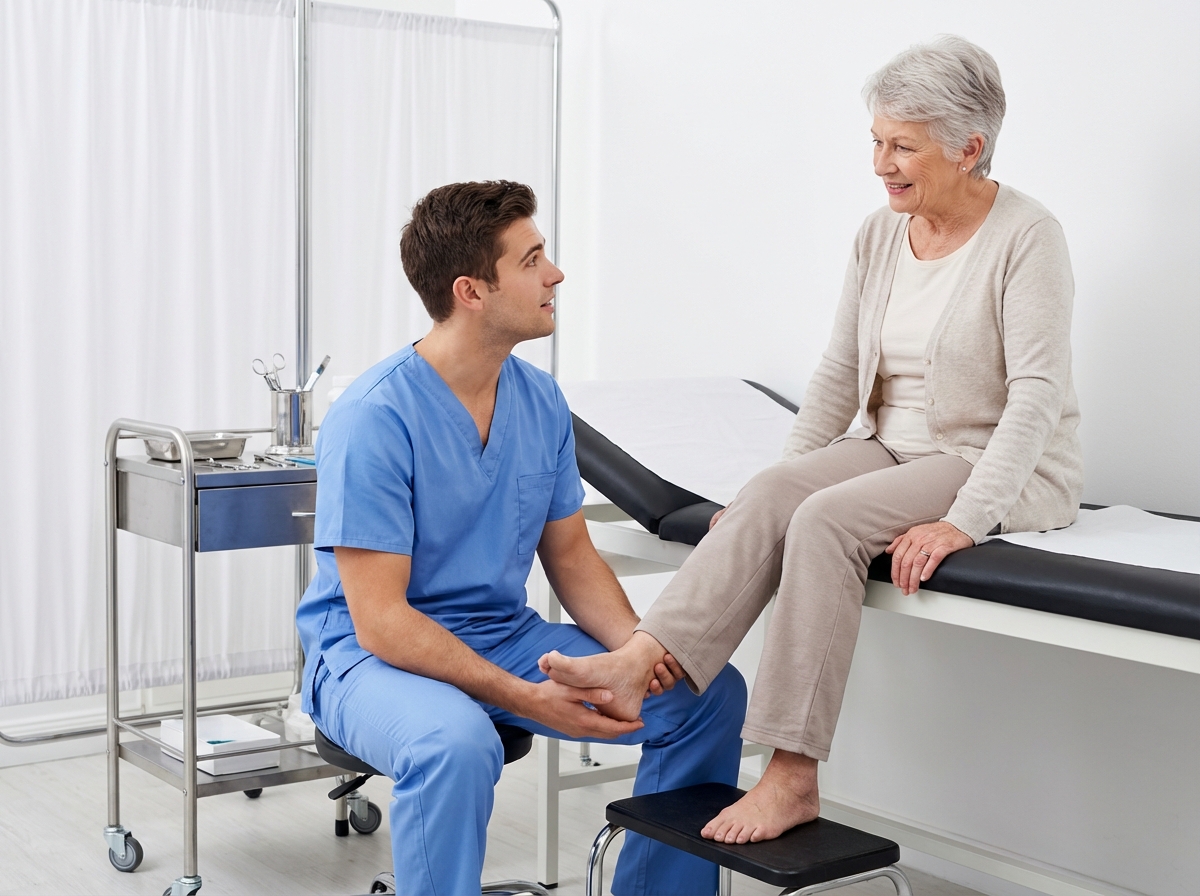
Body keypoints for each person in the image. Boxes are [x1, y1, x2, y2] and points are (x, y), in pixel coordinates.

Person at [540, 35, 1083, 846]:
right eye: (875, 140)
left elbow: (1036, 399)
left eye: (901, 145)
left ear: (970, 148)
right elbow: (837, 370)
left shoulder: (1027, 237)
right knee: (768, 497)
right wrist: (778, 487)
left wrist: (965, 519)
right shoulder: (878, 233)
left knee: (824, 522)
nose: (879, 162)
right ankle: (638, 662)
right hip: (887, 445)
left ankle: (792, 774)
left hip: (985, 461)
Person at [295, 181, 746, 895]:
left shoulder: (539, 401)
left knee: (705, 696)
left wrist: (635, 654)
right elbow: (381, 621)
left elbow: (570, 555)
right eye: (533, 259)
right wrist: (520, 695)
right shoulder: (374, 418)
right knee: (455, 742)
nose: (555, 274)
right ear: (471, 291)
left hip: (500, 633)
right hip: (368, 656)